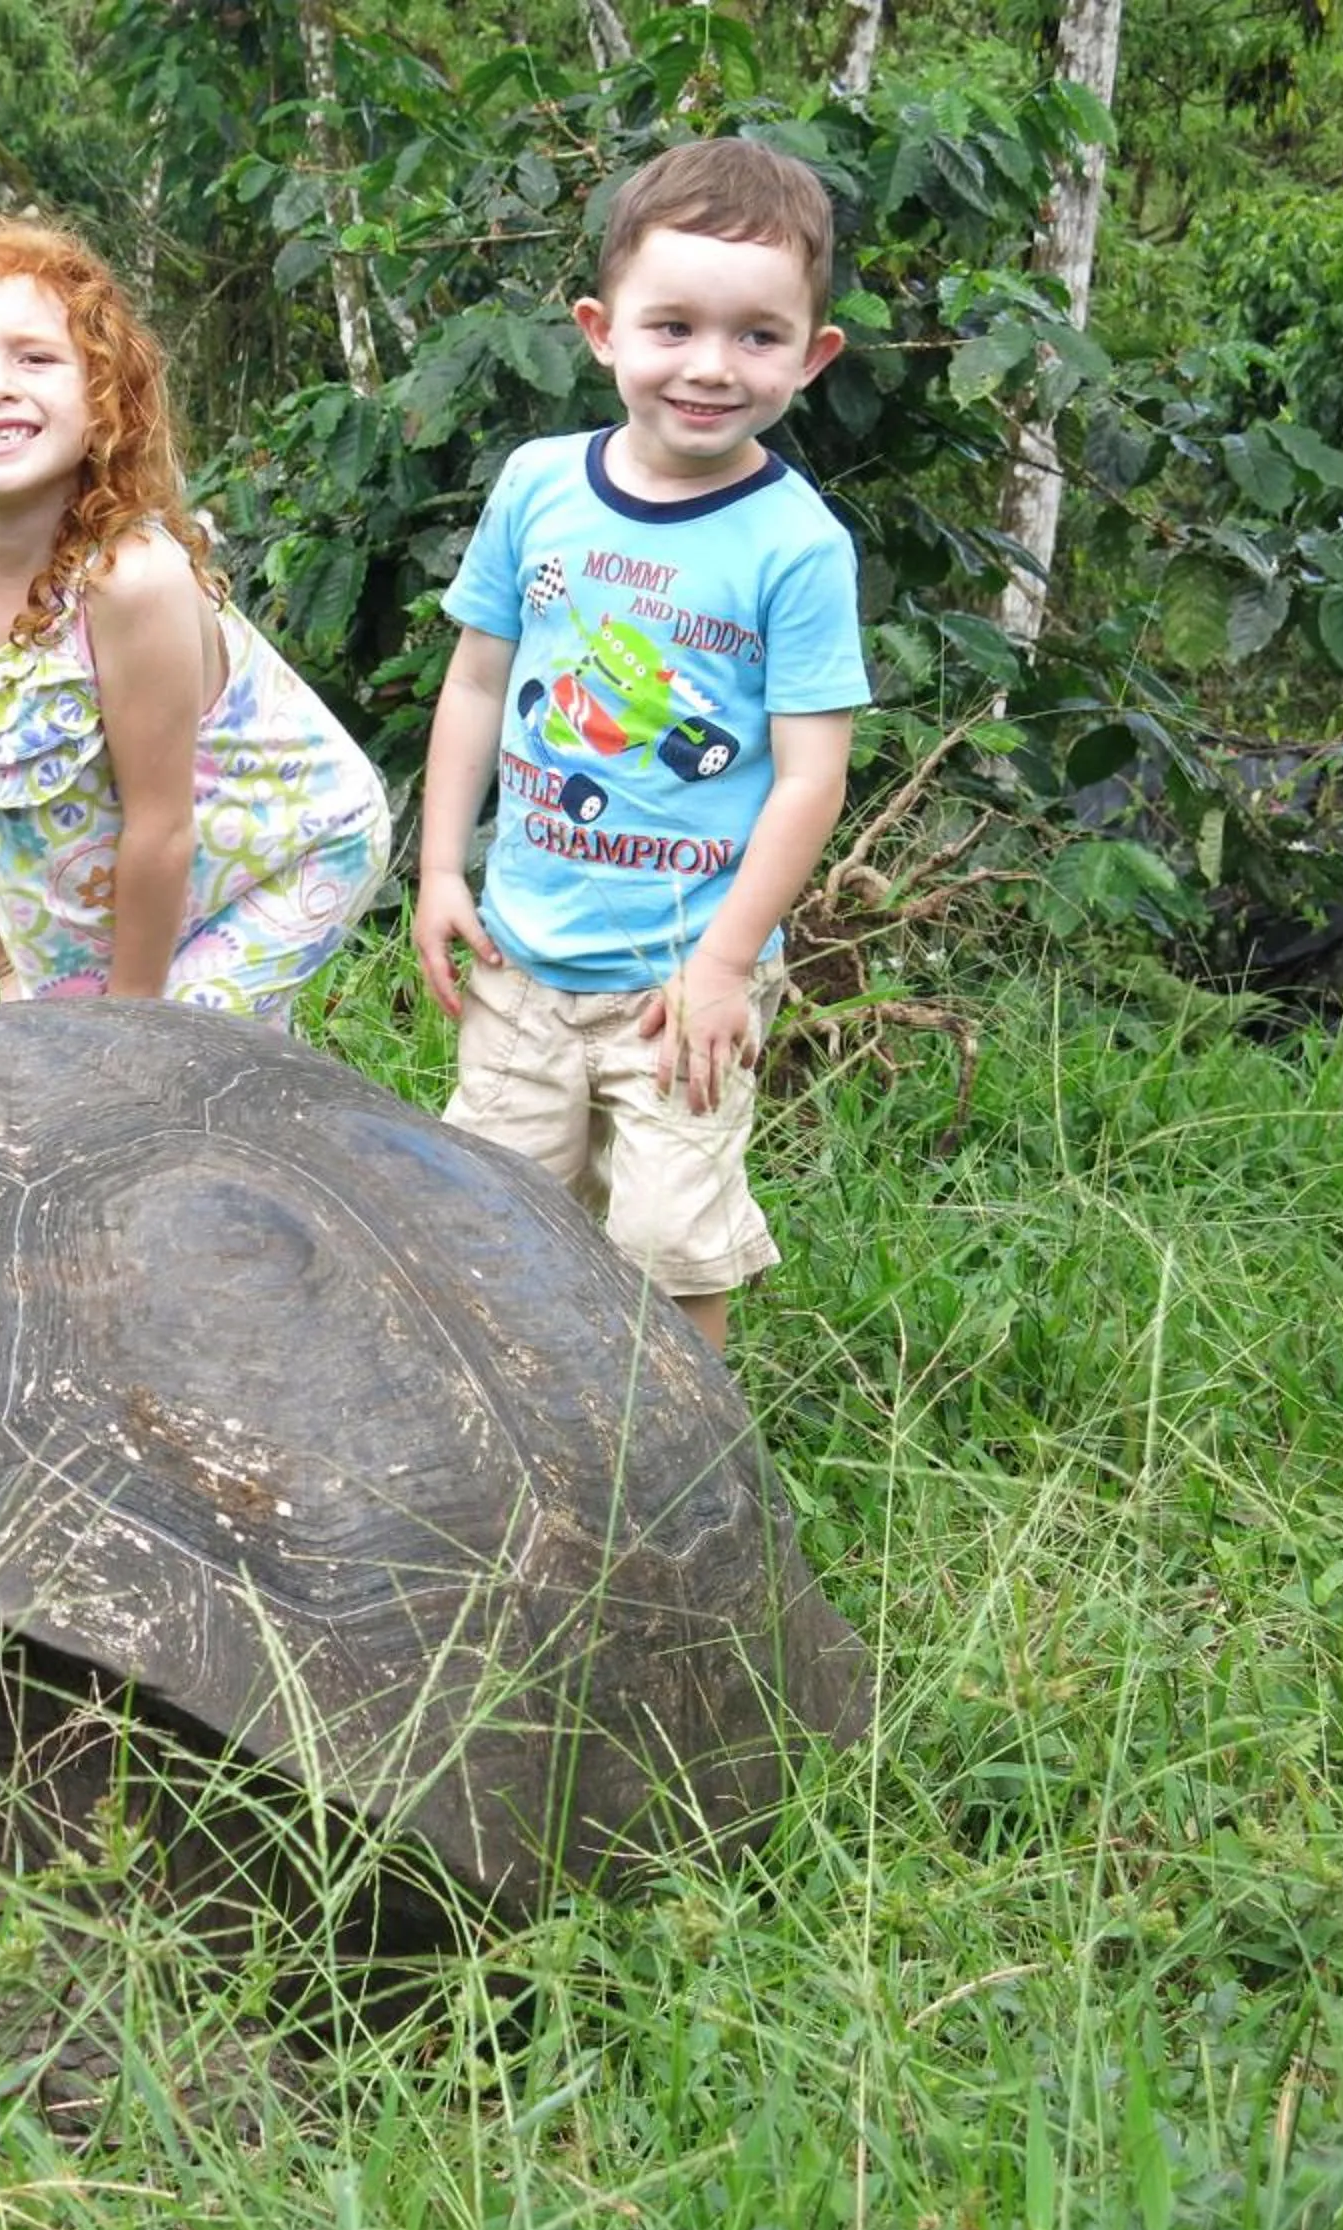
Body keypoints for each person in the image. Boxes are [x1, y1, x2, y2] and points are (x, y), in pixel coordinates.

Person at [413, 138, 867, 1354]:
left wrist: (723, 965)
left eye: (758, 336)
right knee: (494, 1217)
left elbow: (811, 778)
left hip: (683, 980)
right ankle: (508, 1431)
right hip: (521, 954)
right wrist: (443, 871)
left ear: (812, 355)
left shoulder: (797, 548)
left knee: (672, 1248)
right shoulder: (538, 485)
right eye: (673, 326)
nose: (711, 367)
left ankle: (682, 1486)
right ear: (602, 329)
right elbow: (475, 684)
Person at [0, 213, 391, 1020]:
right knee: (51, 1042)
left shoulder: (131, 581)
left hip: (285, 848)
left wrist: (132, 1019)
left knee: (176, 1046)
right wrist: (4, 966)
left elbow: (161, 824)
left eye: (37, 357)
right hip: (106, 870)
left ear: (100, 409)